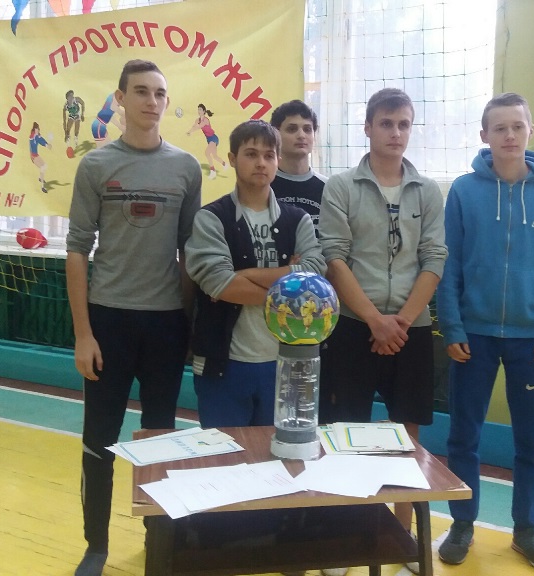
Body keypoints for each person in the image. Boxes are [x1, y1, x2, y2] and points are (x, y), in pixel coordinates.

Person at [65, 59, 202, 576]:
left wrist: (189, 324)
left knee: (160, 440)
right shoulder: (96, 166)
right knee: (99, 439)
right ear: (120, 99)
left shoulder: (186, 168)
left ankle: (158, 542)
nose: (152, 101)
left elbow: (191, 253)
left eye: (160, 93)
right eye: (141, 91)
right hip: (108, 323)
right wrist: (83, 334)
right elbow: (77, 250)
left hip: (166, 324)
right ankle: (95, 546)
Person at [434, 93, 534, 572]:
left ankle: (526, 530)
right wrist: (452, 325)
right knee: (463, 437)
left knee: (531, 444)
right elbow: (449, 265)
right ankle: (462, 523)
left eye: (517, 126)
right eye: (500, 128)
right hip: (472, 336)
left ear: (529, 131)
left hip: (532, 340)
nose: (510, 135)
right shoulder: (463, 191)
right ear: (485, 136)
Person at [317, 87, 447, 576]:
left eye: (404, 124)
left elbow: (434, 258)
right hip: (354, 326)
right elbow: (335, 257)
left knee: (407, 435)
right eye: (386, 123)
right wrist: (374, 319)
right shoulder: (341, 187)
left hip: (411, 329)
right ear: (368, 127)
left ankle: (403, 539)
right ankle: (342, 538)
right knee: (342, 430)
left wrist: (402, 322)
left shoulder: (427, 191)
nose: (395, 133)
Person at [185, 119, 325, 427]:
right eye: (251, 154)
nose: (261, 163)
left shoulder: (298, 219)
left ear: (277, 160)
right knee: (226, 453)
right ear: (232, 159)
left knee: (279, 453)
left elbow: (314, 273)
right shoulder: (210, 218)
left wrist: (242, 275)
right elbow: (218, 281)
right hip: (223, 363)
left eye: (269, 155)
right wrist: (289, 284)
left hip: (285, 363)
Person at [269, 99, 325, 231]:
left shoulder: (329, 188)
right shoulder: (263, 185)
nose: (301, 135)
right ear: (276, 134)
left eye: (307, 129)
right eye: (292, 129)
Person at [186, 103, 227, 180]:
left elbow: (199, 126)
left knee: (207, 153)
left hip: (213, 138)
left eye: (200, 110)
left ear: (204, 111)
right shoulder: (197, 120)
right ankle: (225, 164)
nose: (199, 111)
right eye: (198, 109)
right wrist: (190, 131)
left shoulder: (205, 120)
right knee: (215, 156)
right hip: (209, 140)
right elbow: (194, 126)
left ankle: (213, 172)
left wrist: (193, 129)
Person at [29, 122, 51, 193]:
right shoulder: (33, 136)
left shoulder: (36, 135)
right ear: (34, 129)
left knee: (45, 166)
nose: (38, 130)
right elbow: (40, 141)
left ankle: (40, 178)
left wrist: (47, 143)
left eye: (38, 129)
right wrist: (46, 145)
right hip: (33, 156)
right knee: (42, 168)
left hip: (36, 155)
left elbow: (41, 139)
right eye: (37, 129)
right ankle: (42, 187)